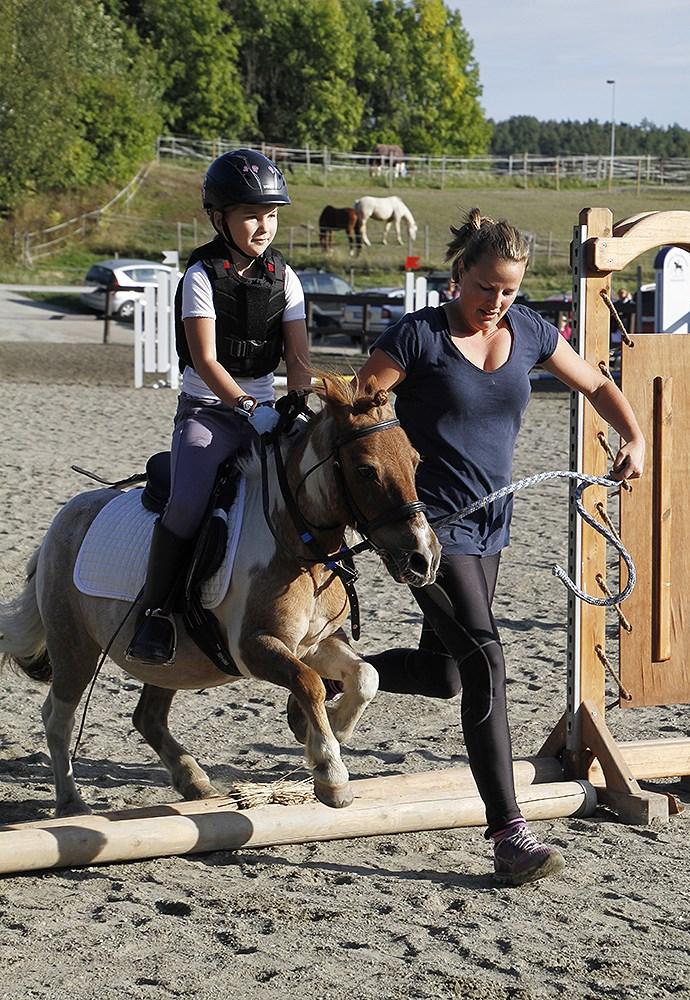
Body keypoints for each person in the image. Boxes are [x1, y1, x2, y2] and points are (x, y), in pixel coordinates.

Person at [354, 208, 645, 886]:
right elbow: (359, 402)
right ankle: (509, 833)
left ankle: (342, 671)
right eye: (486, 288)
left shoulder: (532, 331)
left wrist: (633, 435)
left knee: (450, 674)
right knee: (486, 657)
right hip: (428, 532)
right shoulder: (419, 335)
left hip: (491, 528)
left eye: (509, 290)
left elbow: (599, 383)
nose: (496, 302)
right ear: (459, 276)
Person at [126, 149, 310, 666]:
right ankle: (156, 612)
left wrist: (296, 400)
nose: (263, 225)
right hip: (209, 413)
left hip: (268, 411)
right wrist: (251, 407)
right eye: (251, 214)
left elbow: (298, 357)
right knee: (187, 505)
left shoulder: (286, 278)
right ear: (218, 217)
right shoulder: (202, 276)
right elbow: (206, 360)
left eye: (271, 214)